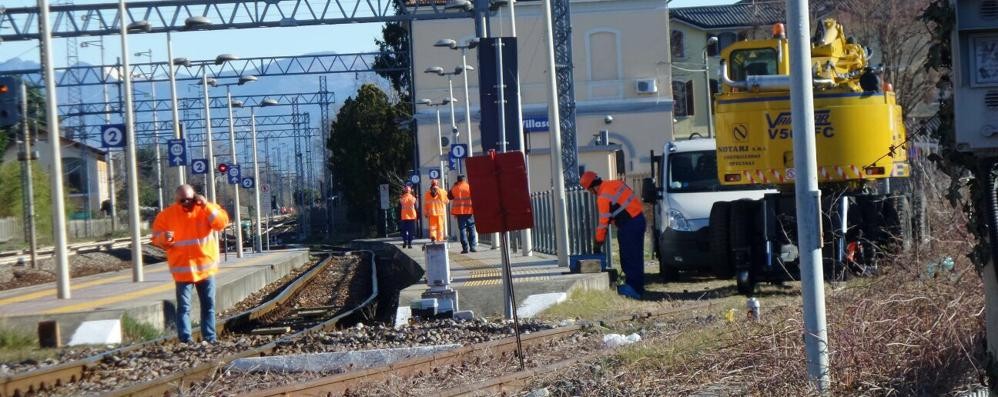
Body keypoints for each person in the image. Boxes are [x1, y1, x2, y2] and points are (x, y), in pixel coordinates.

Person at [151, 184, 230, 343]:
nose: (186, 203)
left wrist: (206, 205)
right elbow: (155, 237)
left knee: (208, 305)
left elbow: (221, 223)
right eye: (182, 200)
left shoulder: (205, 210)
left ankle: (210, 337)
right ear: (176, 200)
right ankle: (185, 339)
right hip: (183, 270)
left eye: (189, 199)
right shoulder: (167, 215)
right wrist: (164, 238)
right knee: (184, 308)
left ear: (195, 197)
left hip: (205, 268)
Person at [580, 171, 646, 299]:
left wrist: (598, 242)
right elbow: (620, 204)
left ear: (592, 187)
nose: (591, 193)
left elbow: (603, 221)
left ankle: (633, 289)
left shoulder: (602, 196)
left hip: (629, 225)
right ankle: (637, 288)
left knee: (629, 257)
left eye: (589, 190)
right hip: (638, 219)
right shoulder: (613, 183)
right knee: (636, 256)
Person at [448, 175, 478, 253]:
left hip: (459, 212)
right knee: (471, 228)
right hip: (469, 211)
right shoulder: (469, 187)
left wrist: (454, 185)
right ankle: (473, 246)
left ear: (457, 180)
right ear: (464, 179)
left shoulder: (455, 188)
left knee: (462, 229)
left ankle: (465, 248)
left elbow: (449, 196)